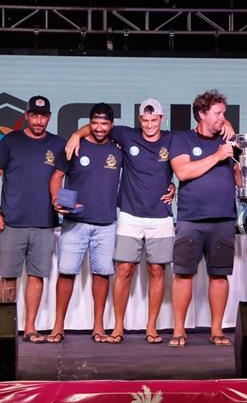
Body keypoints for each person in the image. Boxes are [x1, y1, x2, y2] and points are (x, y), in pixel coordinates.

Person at [65, 98, 175, 344]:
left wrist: (173, 187)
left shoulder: (172, 139)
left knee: (157, 270)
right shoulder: (126, 135)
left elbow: (190, 154)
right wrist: (76, 134)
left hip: (161, 216)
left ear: (161, 118)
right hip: (128, 214)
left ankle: (151, 326)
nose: (149, 125)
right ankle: (118, 327)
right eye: (144, 120)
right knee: (124, 270)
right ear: (139, 120)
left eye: (153, 120)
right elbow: (97, 127)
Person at [168, 90, 247, 347]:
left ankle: (217, 331)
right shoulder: (182, 139)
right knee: (183, 275)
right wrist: (217, 155)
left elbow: (238, 175)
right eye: (218, 113)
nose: (223, 118)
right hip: (191, 219)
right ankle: (179, 330)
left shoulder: (229, 142)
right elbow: (183, 172)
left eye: (224, 113)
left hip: (224, 217)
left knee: (219, 275)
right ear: (202, 114)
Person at [0, 95, 65, 343]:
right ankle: (3, 329)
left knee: (36, 276)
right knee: (9, 277)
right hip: (12, 221)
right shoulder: (11, 140)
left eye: (43, 116)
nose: (39, 120)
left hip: (44, 222)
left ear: (49, 117)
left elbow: (60, 179)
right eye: (34, 115)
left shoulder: (58, 143)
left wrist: (60, 203)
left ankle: (30, 328)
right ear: (27, 116)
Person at [49, 103, 122, 344]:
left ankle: (98, 325)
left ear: (111, 125)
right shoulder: (74, 146)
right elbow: (57, 177)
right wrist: (55, 199)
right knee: (66, 273)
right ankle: (58, 326)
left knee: (101, 274)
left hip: (106, 223)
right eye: (95, 123)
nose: (99, 128)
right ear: (89, 123)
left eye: (104, 123)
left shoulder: (118, 149)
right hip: (74, 222)